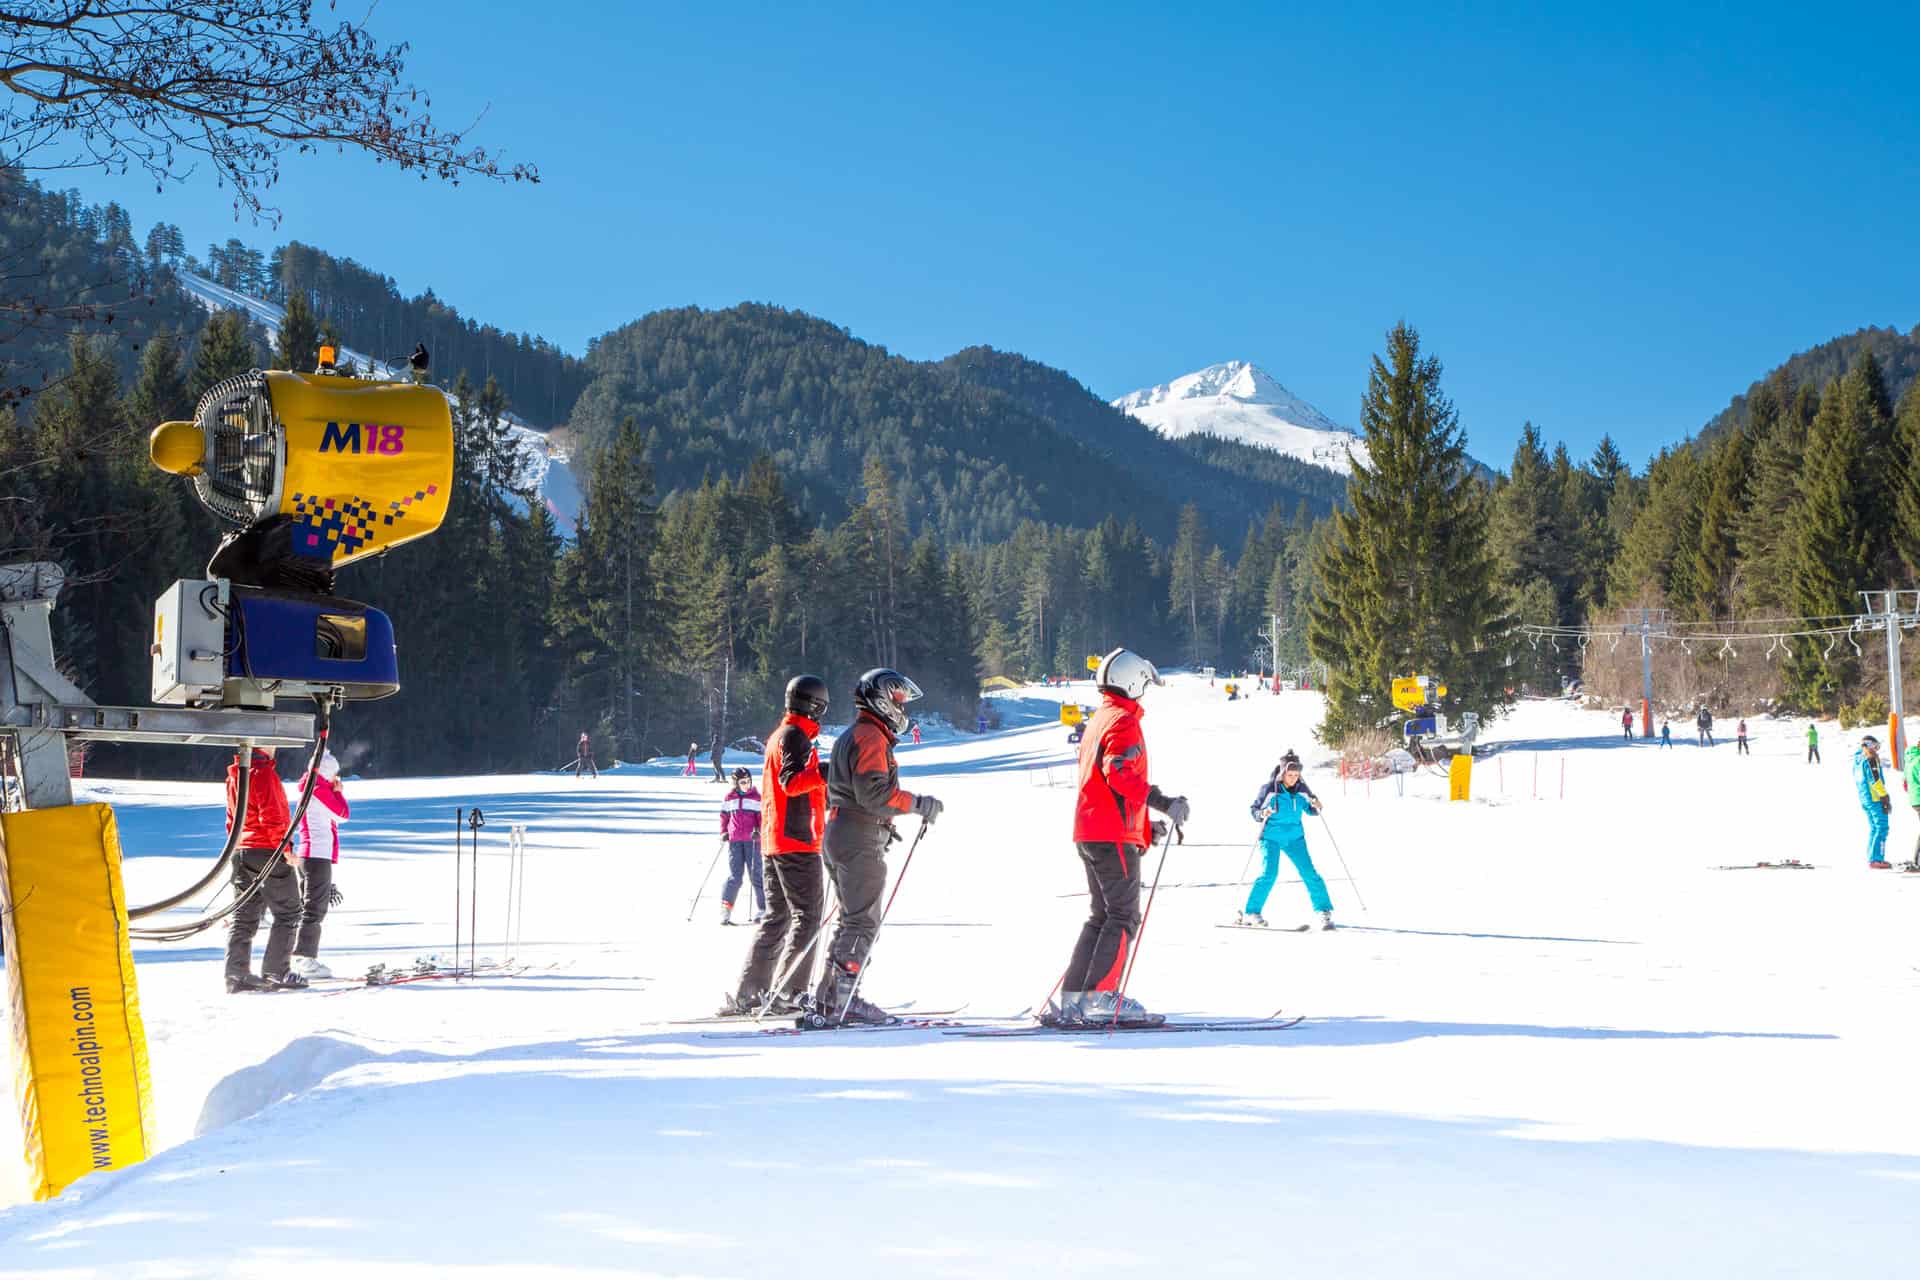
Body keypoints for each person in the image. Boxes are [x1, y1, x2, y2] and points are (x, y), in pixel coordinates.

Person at [1049, 647, 1189, 1029]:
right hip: (1110, 835)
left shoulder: (1100, 719)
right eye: (1143, 684)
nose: (1144, 691)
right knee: (1123, 915)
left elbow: (1105, 787)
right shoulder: (1124, 722)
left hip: (1093, 831)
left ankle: (1075, 998)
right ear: (1131, 682)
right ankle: (1099, 998)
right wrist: (1164, 803)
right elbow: (1120, 775)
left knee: (1102, 916)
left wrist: (1145, 828)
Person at [811, 668, 942, 1026]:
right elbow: (875, 794)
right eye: (898, 699)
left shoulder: (857, 734)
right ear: (882, 699)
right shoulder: (870, 736)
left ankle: (830, 997)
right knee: (862, 923)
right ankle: (843, 1000)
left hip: (844, 831)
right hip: (856, 836)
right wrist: (918, 804)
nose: (901, 707)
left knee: (850, 920)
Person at [718, 675, 830, 1017]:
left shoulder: (783, 736)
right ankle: (789, 992)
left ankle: (750, 991)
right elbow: (793, 782)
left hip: (775, 839)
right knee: (807, 917)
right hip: (795, 841)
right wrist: (827, 771)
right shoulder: (794, 737)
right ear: (816, 706)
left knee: (778, 917)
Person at [223, 746, 307, 993]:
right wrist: (286, 848)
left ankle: (236, 974)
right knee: (289, 911)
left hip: (242, 851)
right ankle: (276, 971)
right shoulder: (264, 774)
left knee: (244, 915)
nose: (276, 747)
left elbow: (232, 818)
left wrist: (237, 847)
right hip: (266, 849)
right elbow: (272, 816)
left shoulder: (235, 775)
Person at [1240, 751, 1333, 929]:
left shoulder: (1302, 790)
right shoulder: (1269, 789)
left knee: (1309, 873)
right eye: (1290, 775)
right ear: (1282, 773)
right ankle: (1252, 912)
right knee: (1270, 873)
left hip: (1295, 838)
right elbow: (1255, 811)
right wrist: (1262, 813)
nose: (1293, 779)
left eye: (1297, 775)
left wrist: (1317, 807)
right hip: (1270, 838)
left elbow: (1310, 809)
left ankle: (1323, 911)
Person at [289, 750, 350, 979]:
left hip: (310, 854)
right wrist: (339, 793)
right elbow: (342, 814)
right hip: (317, 855)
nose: (336, 778)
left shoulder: (310, 788)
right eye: (334, 773)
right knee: (315, 909)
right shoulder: (318, 790)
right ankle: (305, 958)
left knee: (309, 907)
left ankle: (300, 955)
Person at [718, 767, 765, 925]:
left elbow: (762, 818)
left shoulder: (757, 797)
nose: (747, 784)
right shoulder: (729, 798)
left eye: (749, 781)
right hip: (735, 842)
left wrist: (759, 831)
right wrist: (724, 832)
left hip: (752, 842)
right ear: (736, 783)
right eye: (743, 782)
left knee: (756, 875)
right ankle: (726, 909)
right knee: (735, 877)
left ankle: (763, 909)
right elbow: (724, 817)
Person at [1856, 734, 1892, 868]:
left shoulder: (1858, 760)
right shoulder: (1870, 759)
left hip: (1865, 798)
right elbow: (1875, 780)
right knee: (1882, 827)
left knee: (1874, 828)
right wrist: (1884, 796)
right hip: (1875, 798)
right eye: (1876, 746)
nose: (1877, 750)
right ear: (1870, 745)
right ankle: (1877, 859)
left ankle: (1872, 857)